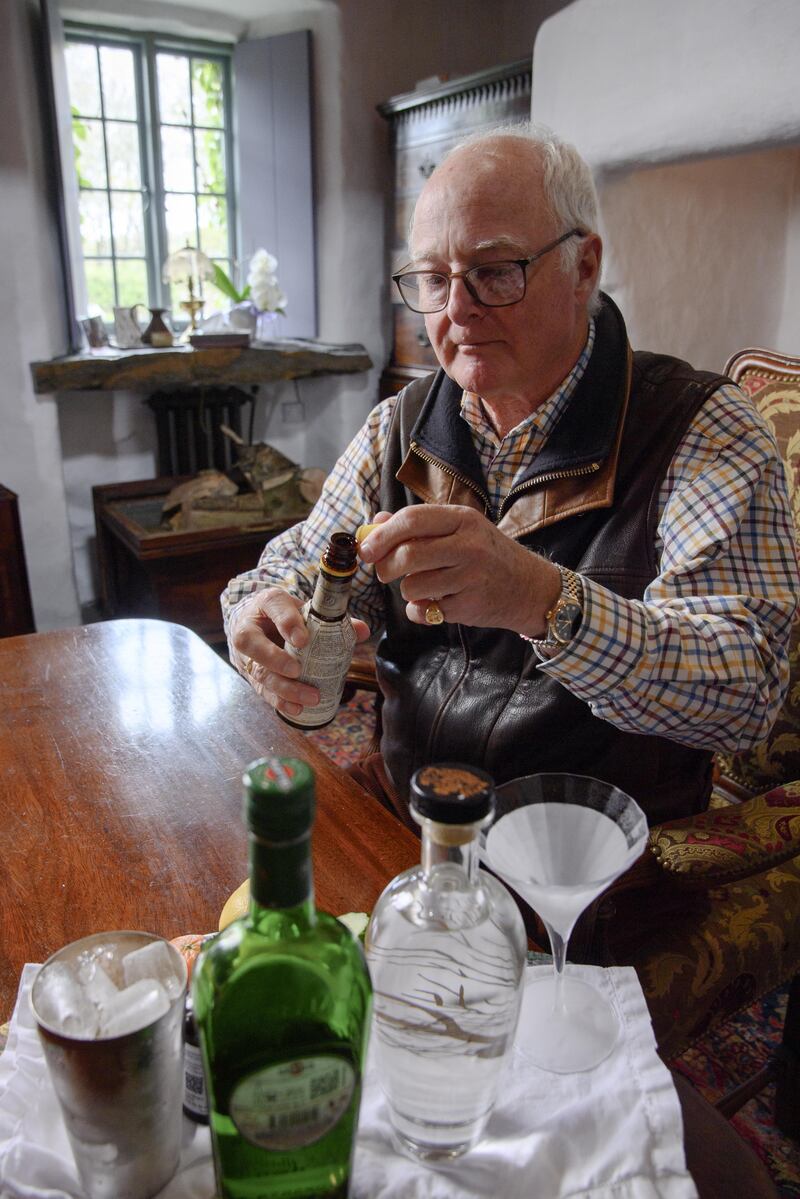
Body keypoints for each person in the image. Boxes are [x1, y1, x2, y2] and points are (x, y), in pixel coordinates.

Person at [223, 122, 798, 831]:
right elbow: (302, 562)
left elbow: (746, 693)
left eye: (494, 272)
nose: (458, 309)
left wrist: (543, 600)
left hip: (591, 869)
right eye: (434, 278)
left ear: (583, 267)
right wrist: (257, 608)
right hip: (412, 822)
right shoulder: (400, 425)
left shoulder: (700, 428)